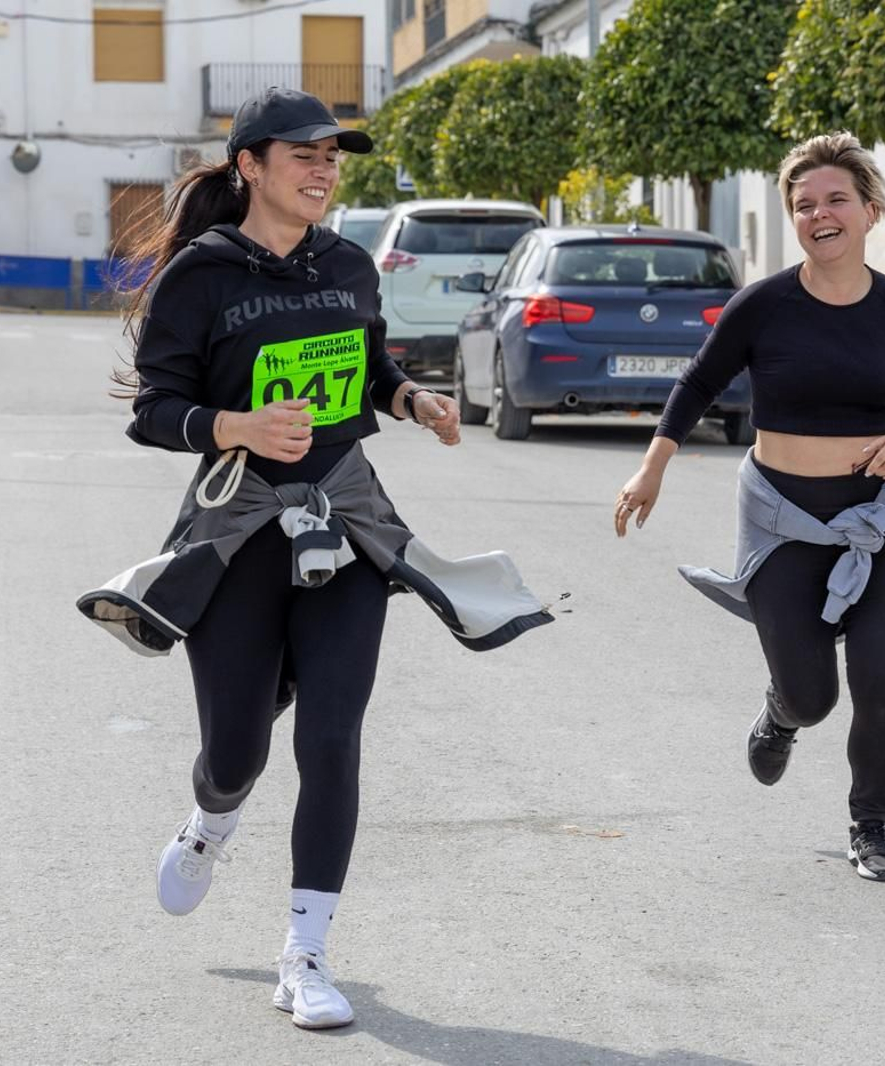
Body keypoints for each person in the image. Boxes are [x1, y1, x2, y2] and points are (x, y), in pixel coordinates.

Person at [76, 88, 552, 1029]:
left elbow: (370, 364)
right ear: (250, 165)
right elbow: (154, 410)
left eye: (333, 155)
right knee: (236, 752)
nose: (325, 169)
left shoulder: (348, 264)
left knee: (332, 740)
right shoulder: (202, 275)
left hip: (346, 522)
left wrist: (412, 400)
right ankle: (211, 821)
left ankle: (306, 954)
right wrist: (237, 426)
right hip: (238, 534)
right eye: (305, 154)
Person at [613, 132, 885, 883]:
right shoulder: (763, 304)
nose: (819, 214)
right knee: (814, 696)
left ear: (870, 211)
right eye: (804, 205)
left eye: (836, 199)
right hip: (782, 523)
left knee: (881, 678)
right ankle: (782, 713)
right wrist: (653, 466)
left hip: (882, 523)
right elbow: (698, 382)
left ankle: (871, 825)